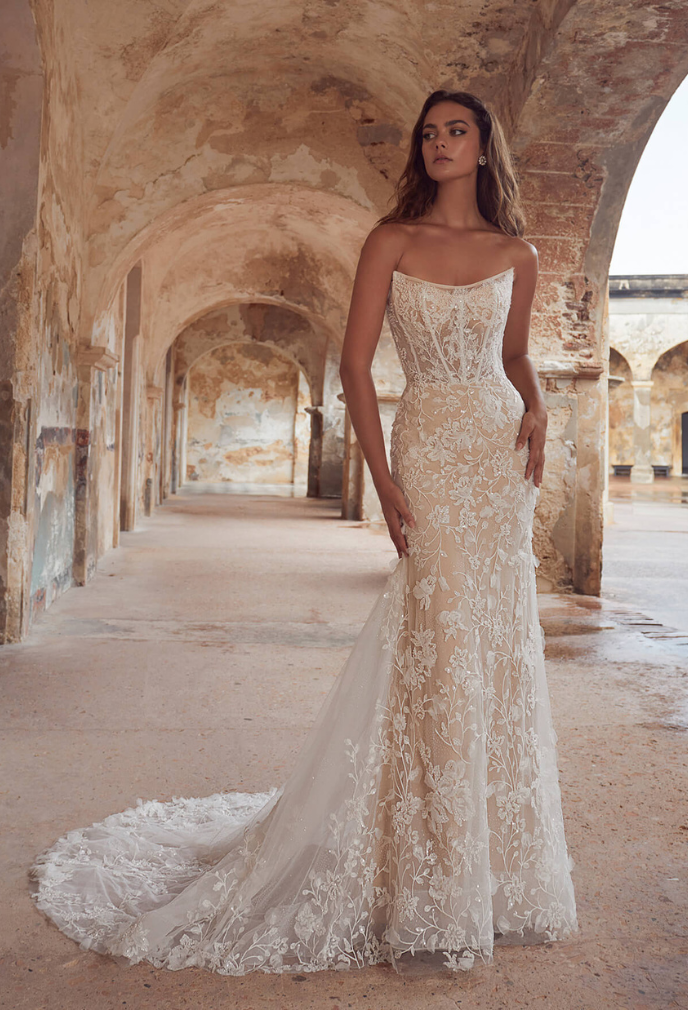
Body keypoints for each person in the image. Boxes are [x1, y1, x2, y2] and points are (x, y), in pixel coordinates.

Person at [29, 89, 578, 976]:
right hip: (432, 443)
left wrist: (541, 404)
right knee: (434, 639)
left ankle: (493, 868)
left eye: (456, 132)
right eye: (429, 133)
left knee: (494, 644)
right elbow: (357, 367)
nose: (439, 144)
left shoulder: (517, 253)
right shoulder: (390, 240)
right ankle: (425, 868)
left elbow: (513, 354)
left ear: (484, 149)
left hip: (495, 450)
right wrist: (383, 479)